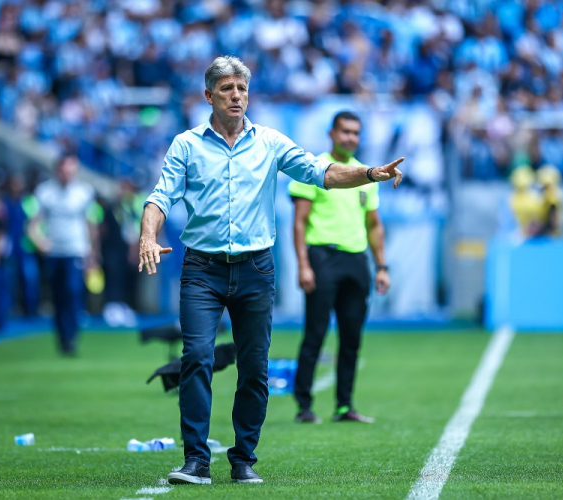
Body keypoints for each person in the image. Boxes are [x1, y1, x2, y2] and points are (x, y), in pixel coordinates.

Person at [138, 56, 403, 486]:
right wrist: (148, 236)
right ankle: (196, 461)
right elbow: (159, 198)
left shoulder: (271, 143)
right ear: (209, 96)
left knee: (255, 367)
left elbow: (323, 172)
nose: (236, 96)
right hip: (202, 269)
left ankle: (243, 459)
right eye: (226, 89)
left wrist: (369, 173)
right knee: (197, 358)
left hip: (256, 269)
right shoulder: (186, 144)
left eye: (241, 89)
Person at [288, 111, 390, 425]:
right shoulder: (313, 169)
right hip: (323, 257)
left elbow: (374, 225)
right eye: (345, 131)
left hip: (356, 260)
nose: (350, 138)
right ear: (331, 133)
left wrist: (382, 266)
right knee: (315, 334)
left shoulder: (366, 174)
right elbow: (299, 223)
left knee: (352, 337)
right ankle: (304, 406)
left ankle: (345, 406)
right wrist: (304, 265)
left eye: (356, 133)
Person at [27, 155, 99, 355]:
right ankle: (62, 336)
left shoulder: (84, 192)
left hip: (76, 250)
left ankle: (72, 336)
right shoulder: (45, 192)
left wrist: (93, 253)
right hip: (54, 251)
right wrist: (40, 242)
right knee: (58, 296)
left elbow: (91, 224)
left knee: (73, 291)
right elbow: (33, 223)